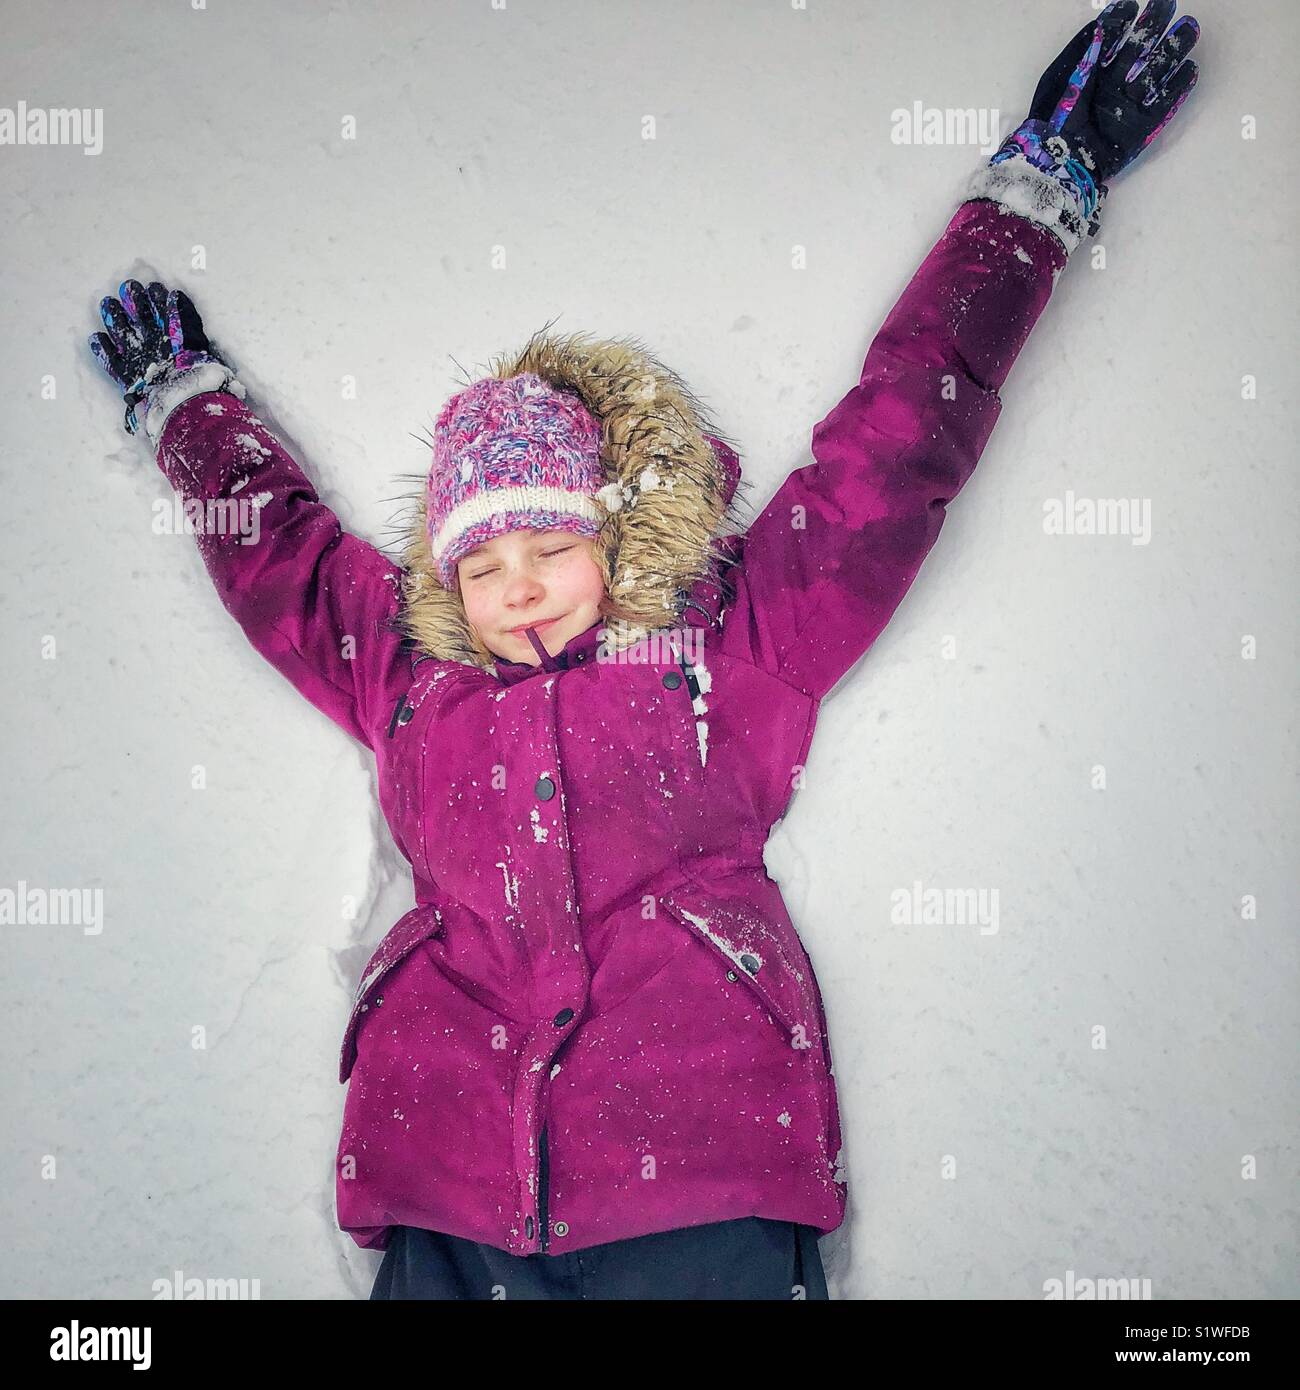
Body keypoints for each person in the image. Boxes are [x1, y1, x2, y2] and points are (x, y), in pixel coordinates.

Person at [86, 1, 1200, 1300]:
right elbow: (276, 561)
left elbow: (893, 450)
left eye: (547, 548)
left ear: (609, 538)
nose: (519, 591)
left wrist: (1034, 196)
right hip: (448, 1177)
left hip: (704, 1157)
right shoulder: (408, 670)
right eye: (482, 563)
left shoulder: (732, 639)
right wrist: (189, 412)